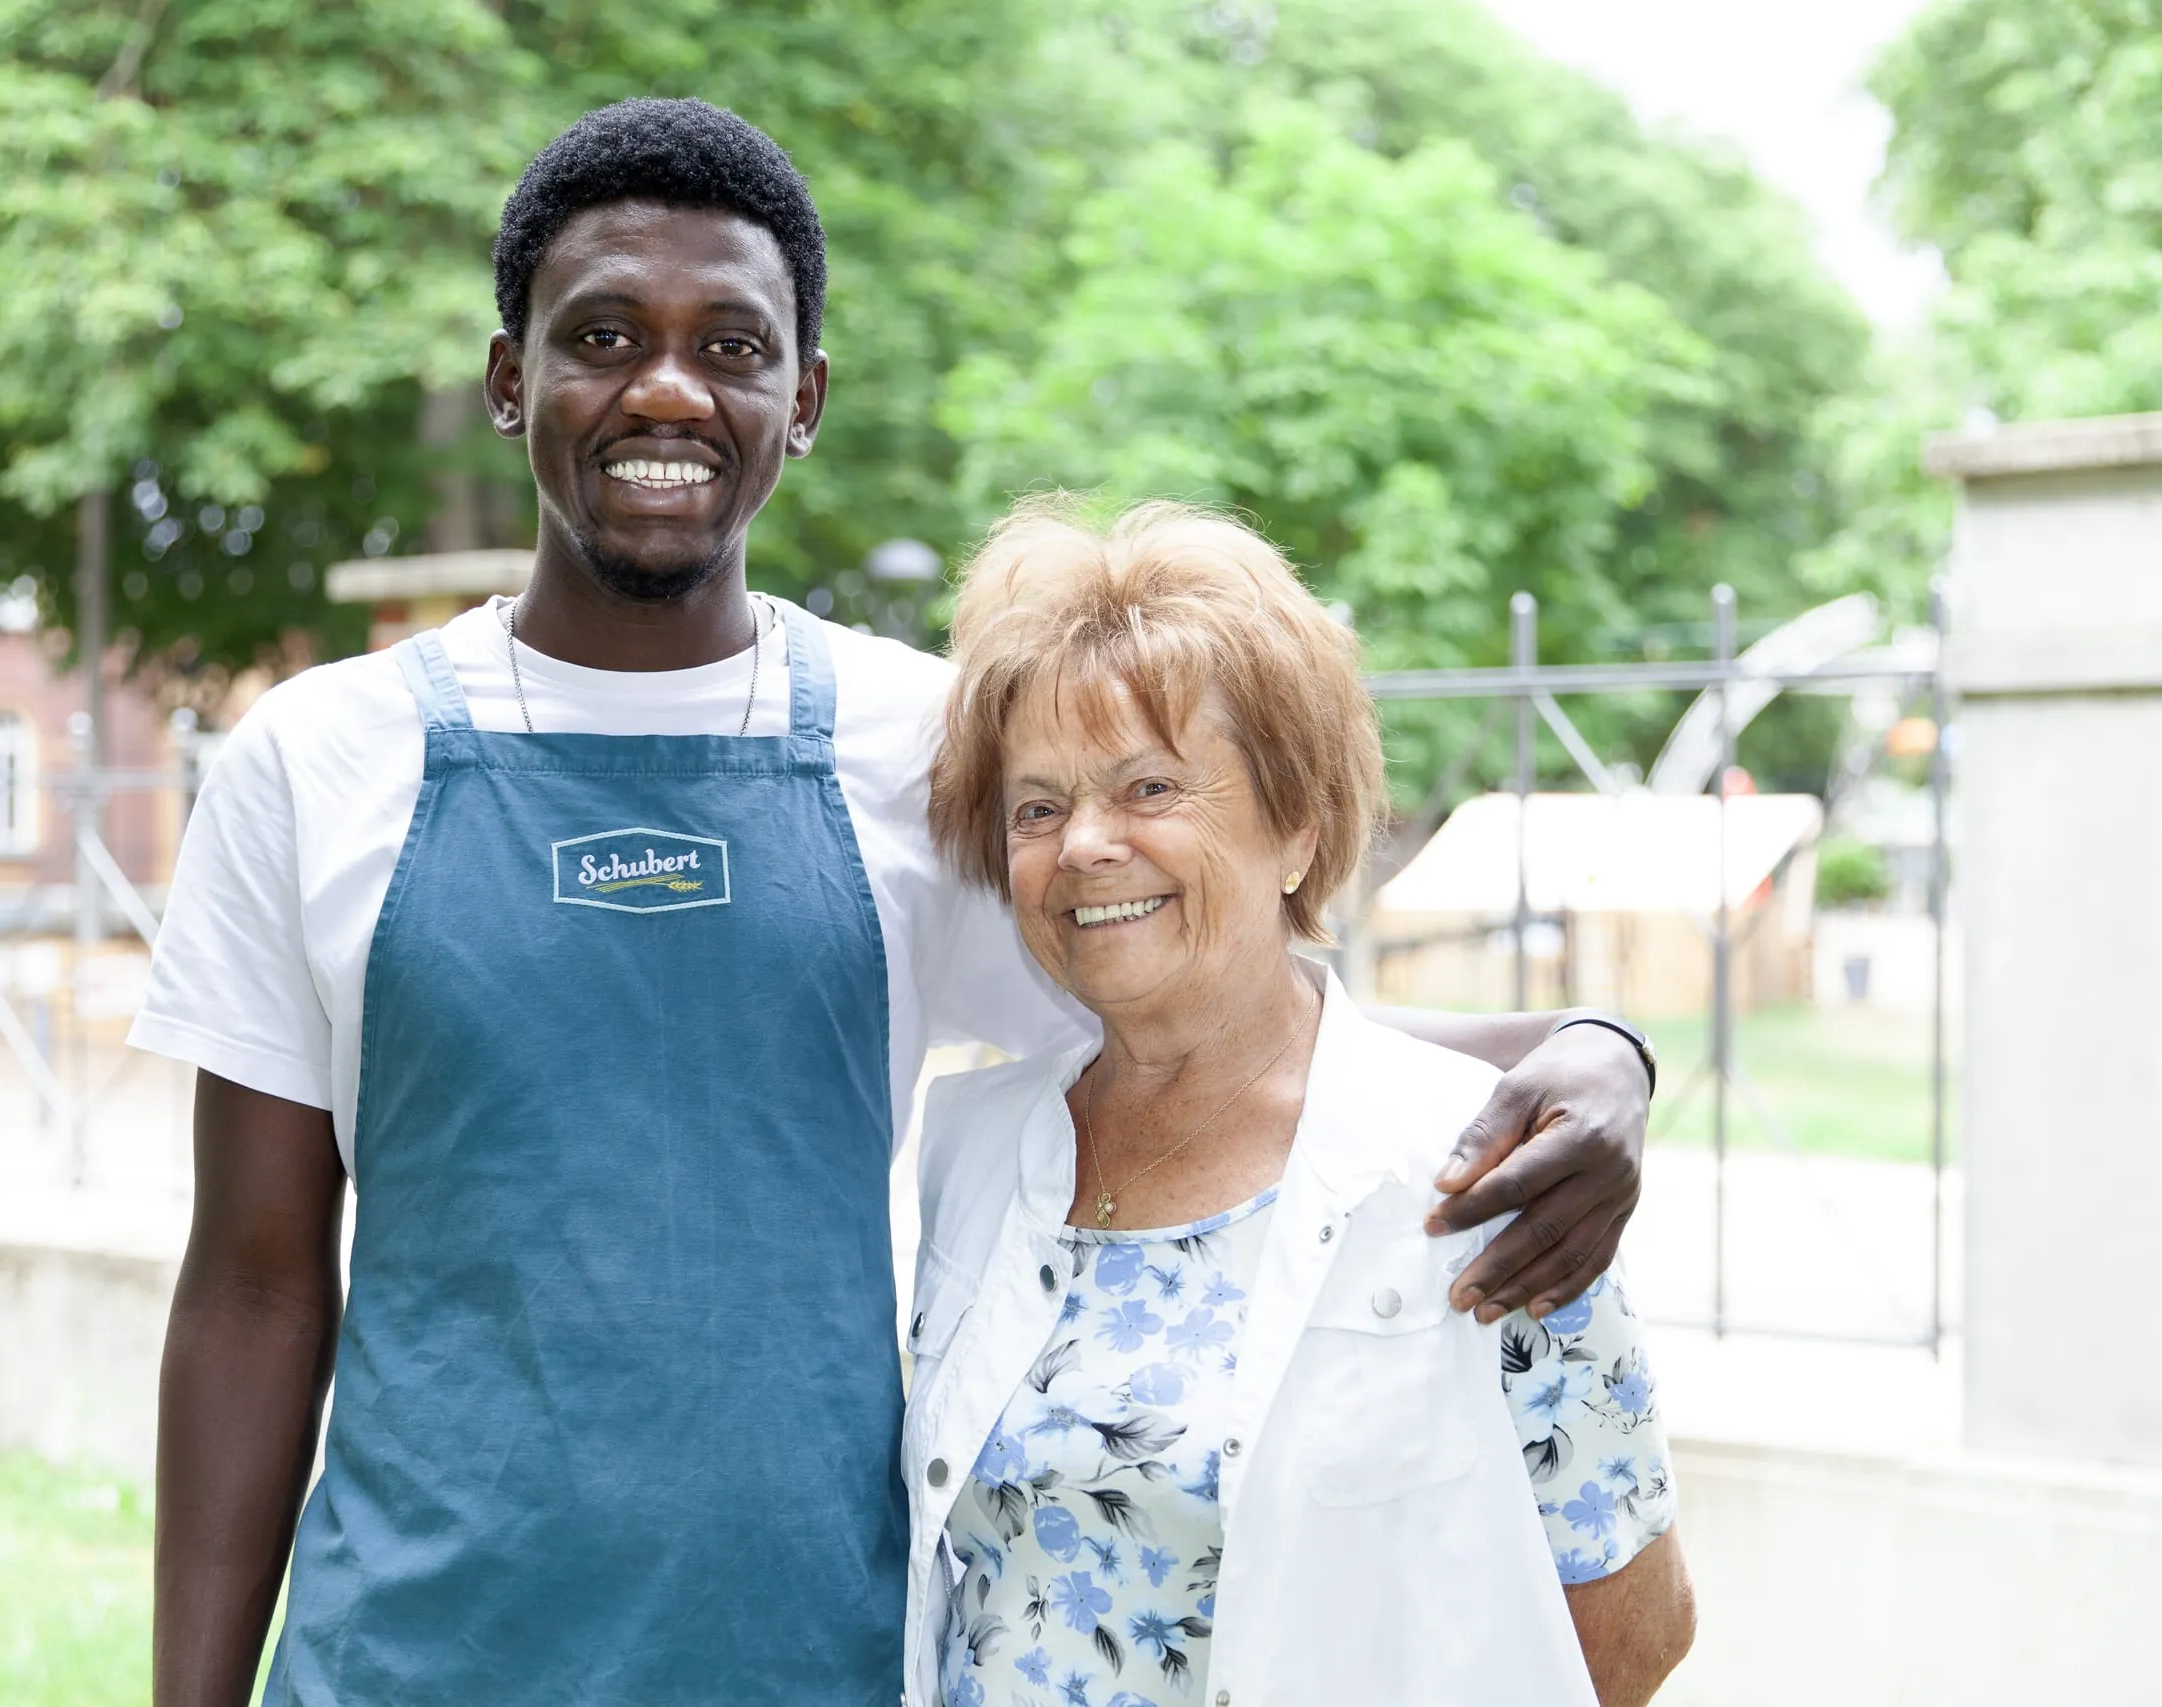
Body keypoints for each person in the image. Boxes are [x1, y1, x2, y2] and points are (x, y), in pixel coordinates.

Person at [136, 99, 1663, 1707]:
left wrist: (1591, 1043)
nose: (667, 387)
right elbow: (251, 1279)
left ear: (800, 402)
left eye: (731, 345)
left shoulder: (924, 747)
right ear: (511, 377)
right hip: (406, 1660)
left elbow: (1229, 1026)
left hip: (814, 1660)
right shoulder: (317, 759)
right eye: (601, 335)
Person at [907, 500, 1696, 1707]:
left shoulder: (1475, 1167)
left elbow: (1628, 1640)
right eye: (1038, 806)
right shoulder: (971, 1153)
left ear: (1297, 826)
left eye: (1150, 786)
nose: (1084, 846)